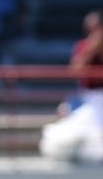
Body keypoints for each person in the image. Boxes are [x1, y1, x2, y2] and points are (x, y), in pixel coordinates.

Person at [40, 10, 103, 162]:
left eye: (97, 28)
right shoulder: (83, 46)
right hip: (90, 97)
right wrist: (91, 49)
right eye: (90, 29)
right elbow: (75, 70)